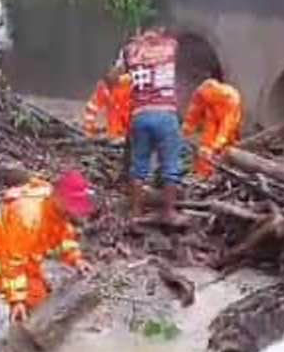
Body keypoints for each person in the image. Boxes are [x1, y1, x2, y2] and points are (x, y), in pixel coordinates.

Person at [0, 170, 95, 336]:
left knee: (39, 304)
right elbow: (12, 262)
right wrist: (17, 300)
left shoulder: (58, 213)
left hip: (25, 258)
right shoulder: (29, 217)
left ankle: (21, 340)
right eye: (73, 205)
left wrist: (76, 259)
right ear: (59, 197)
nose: (74, 212)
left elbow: (63, 238)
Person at [116, 27, 188, 226]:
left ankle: (136, 213)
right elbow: (172, 42)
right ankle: (169, 213)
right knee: (170, 166)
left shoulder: (130, 51)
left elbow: (115, 74)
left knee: (139, 167)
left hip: (140, 115)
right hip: (166, 114)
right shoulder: (169, 47)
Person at [182, 76, 243, 180]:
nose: (201, 99)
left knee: (227, 145)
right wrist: (186, 129)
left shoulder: (230, 98)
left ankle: (222, 174)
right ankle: (202, 175)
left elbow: (226, 127)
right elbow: (194, 111)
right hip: (213, 115)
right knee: (206, 145)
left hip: (228, 118)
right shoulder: (203, 94)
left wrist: (216, 145)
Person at [83, 67, 132, 146]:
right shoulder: (103, 88)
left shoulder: (128, 87)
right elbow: (92, 108)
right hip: (115, 132)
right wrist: (89, 130)